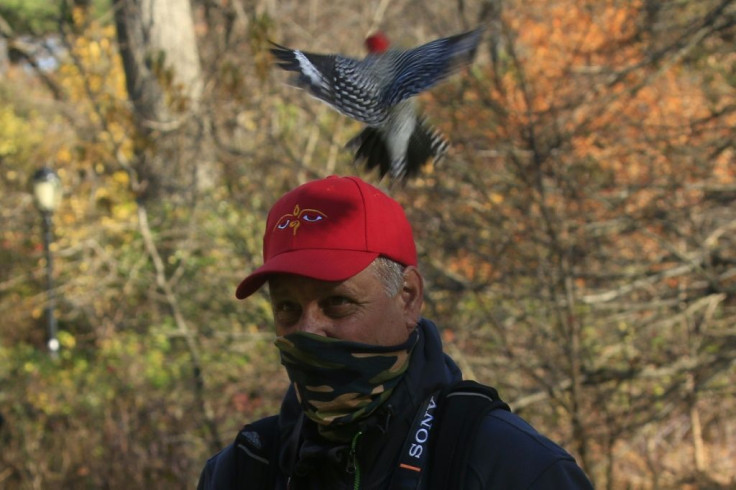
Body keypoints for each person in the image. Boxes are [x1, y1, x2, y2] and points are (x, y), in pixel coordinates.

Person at [197, 175, 594, 489]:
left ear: (408, 298)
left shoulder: (512, 468)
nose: (308, 329)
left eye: (337, 302)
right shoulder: (244, 470)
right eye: (287, 308)